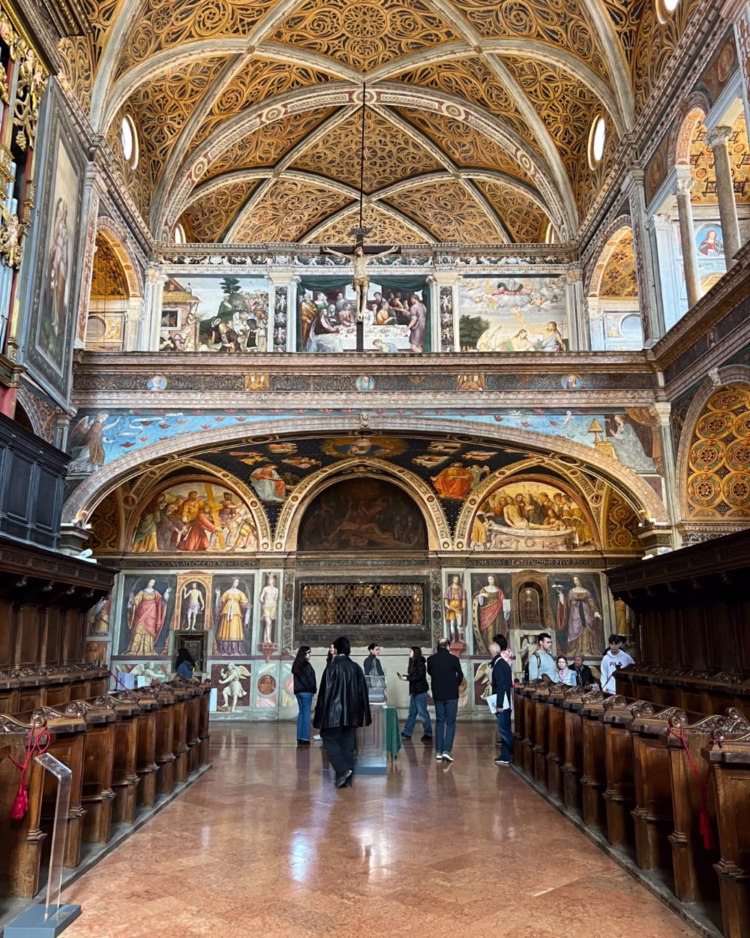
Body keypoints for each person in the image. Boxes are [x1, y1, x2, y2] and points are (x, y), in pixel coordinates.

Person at [313, 636, 371, 788]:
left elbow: (325, 693)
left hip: (334, 714)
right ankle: (345, 780)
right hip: (352, 714)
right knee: (348, 747)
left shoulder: (332, 667)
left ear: (337, 649)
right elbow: (363, 692)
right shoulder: (356, 668)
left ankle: (343, 770)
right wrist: (363, 714)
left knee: (329, 740)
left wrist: (320, 716)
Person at [427, 638, 463, 762]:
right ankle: (447, 750)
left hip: (438, 694)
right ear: (448, 646)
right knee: (451, 722)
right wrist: (454, 684)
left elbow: (431, 673)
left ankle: (439, 751)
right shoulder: (454, 659)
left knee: (439, 721)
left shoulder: (431, 659)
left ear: (438, 646)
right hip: (452, 694)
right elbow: (460, 675)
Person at [399, 647, 432, 742]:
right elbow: (414, 676)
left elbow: (419, 676)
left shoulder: (420, 662)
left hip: (420, 691)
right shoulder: (414, 662)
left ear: (415, 652)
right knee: (412, 712)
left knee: (422, 713)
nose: (409, 652)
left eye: (410, 651)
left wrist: (407, 678)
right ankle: (407, 732)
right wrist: (406, 677)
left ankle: (428, 733)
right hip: (415, 691)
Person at [490, 639, 513, 765]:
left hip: (503, 703)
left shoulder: (499, 665)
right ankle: (505, 755)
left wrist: (499, 705)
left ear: (492, 653)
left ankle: (515, 752)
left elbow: (501, 686)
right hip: (506, 701)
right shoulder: (503, 663)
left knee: (504, 730)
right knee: (505, 728)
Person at [292, 645, 317, 746]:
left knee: (301, 714)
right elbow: (309, 680)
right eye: (308, 652)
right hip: (306, 692)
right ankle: (305, 738)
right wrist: (313, 689)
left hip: (298, 692)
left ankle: (299, 737)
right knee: (306, 715)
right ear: (304, 653)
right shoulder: (307, 665)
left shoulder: (296, 665)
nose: (310, 654)